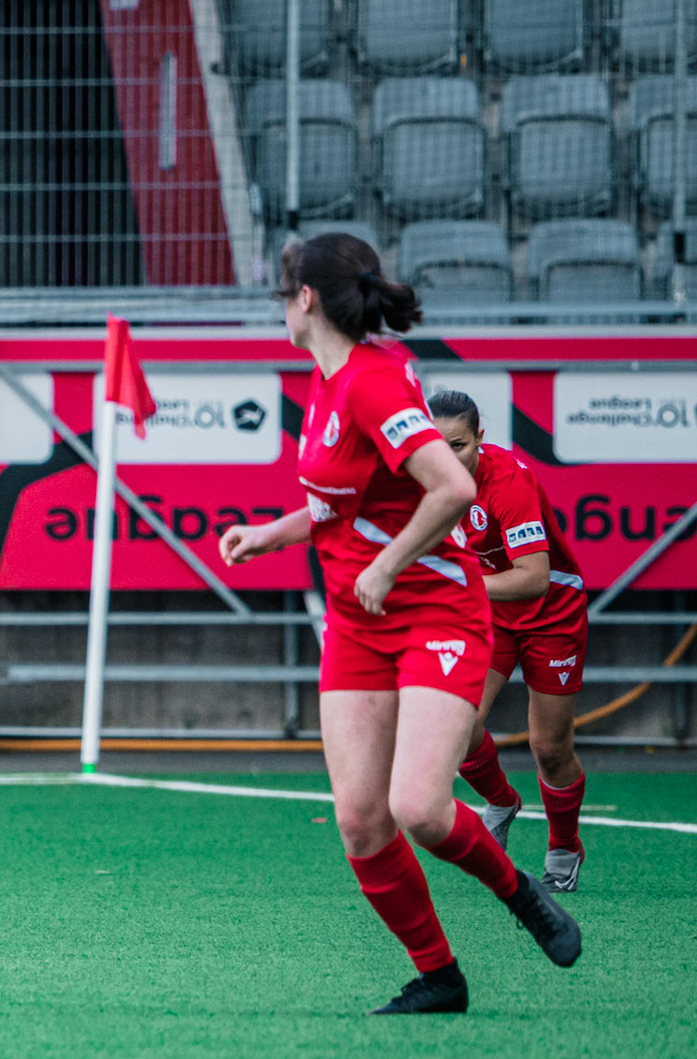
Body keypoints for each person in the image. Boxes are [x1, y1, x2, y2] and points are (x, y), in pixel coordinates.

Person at [218, 233, 580, 1014]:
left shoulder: (370, 384)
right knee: (359, 819)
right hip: (357, 625)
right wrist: (270, 535)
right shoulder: (329, 379)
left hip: (431, 612)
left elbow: (448, 485)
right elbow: (335, 505)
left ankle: (522, 895)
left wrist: (388, 565)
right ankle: (440, 977)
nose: (279, 308)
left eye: (282, 294)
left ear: (306, 300)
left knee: (420, 807)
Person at [430, 390, 590, 892]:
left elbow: (534, 579)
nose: (446, 457)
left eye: (458, 445)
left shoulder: (509, 482)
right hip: (492, 615)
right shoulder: (421, 480)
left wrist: (453, 586)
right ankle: (501, 801)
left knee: (548, 747)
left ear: (481, 437)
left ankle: (564, 846)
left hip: (551, 615)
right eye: (435, 445)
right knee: (458, 724)